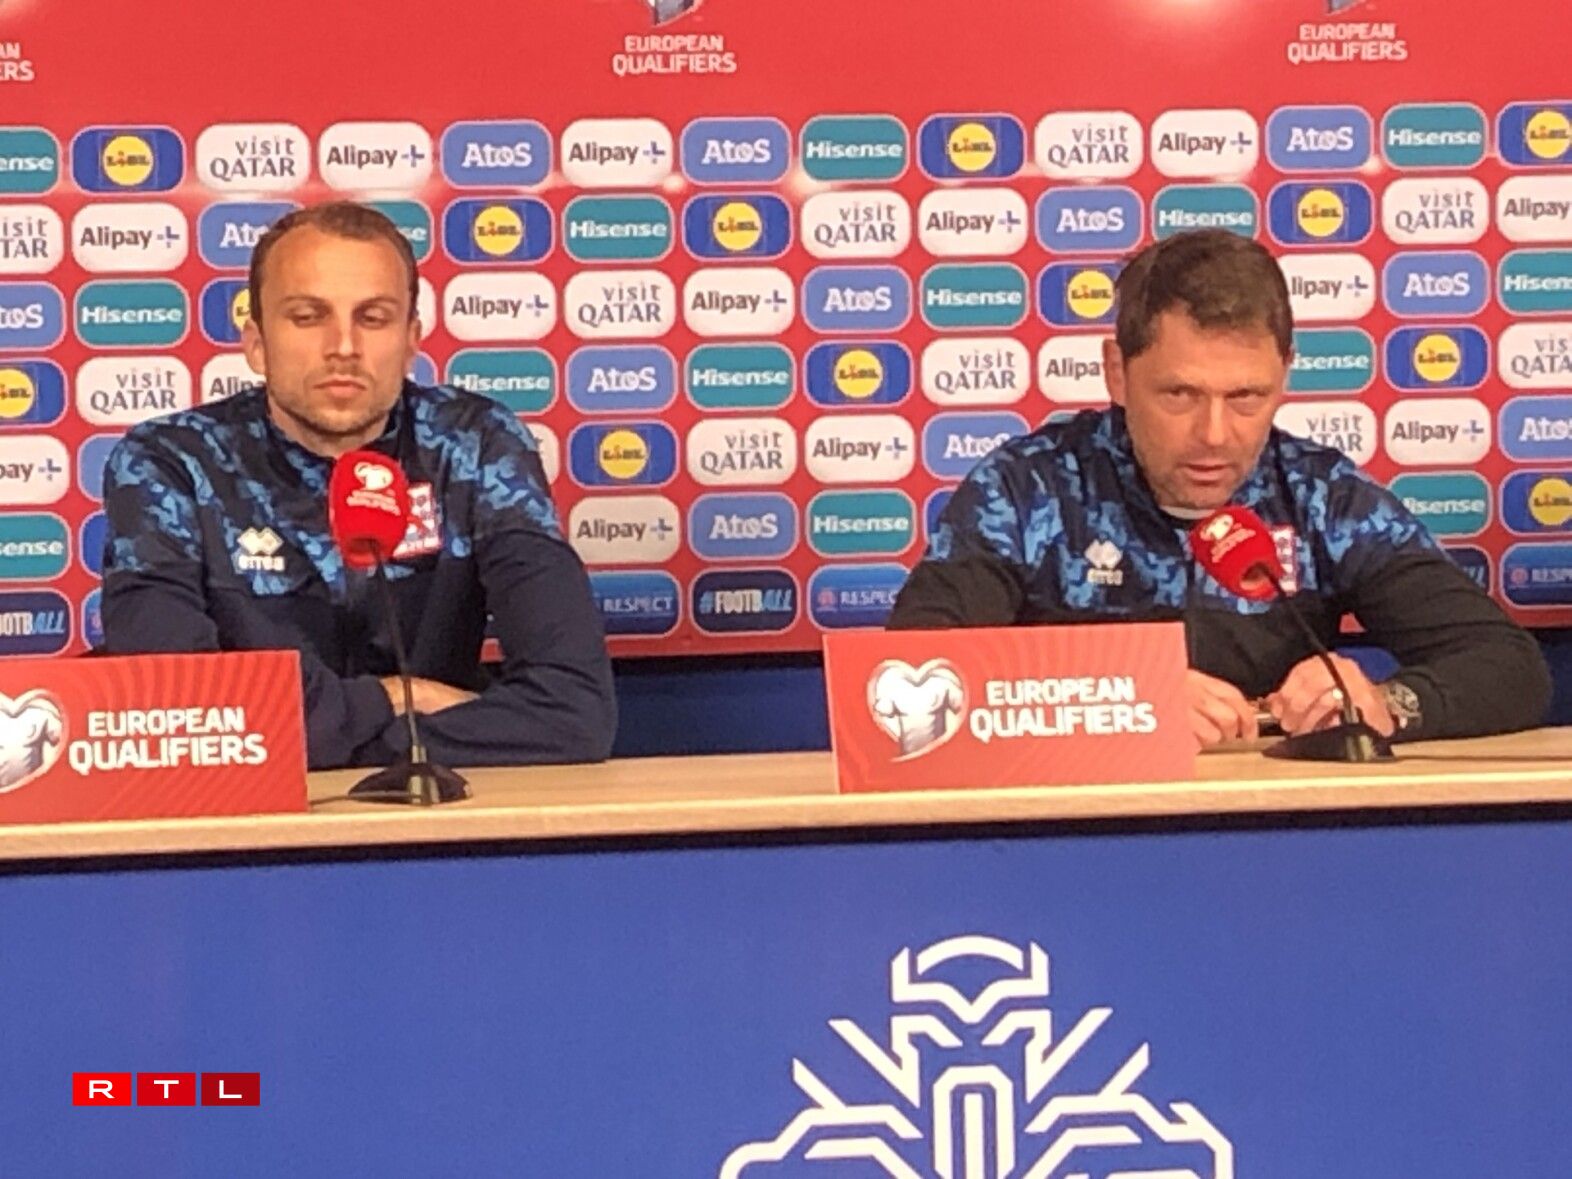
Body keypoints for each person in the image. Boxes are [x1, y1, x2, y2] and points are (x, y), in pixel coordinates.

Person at [890, 229, 1551, 747]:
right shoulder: (1027, 488)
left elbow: (1509, 665)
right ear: (1117, 373)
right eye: (1180, 394)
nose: (1214, 434)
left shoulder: (1320, 496)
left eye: (1246, 397)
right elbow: (905, 676)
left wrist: (1387, 702)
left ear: (1285, 375)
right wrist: (1118, 700)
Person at [100, 201, 616, 769]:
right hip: (245, 811)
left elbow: (576, 714)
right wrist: (398, 701)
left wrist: (313, 739)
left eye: (373, 318)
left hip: (434, 805)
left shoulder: (476, 445)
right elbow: (176, 711)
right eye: (307, 316)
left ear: (411, 339)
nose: (343, 346)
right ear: (256, 343)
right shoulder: (171, 461)